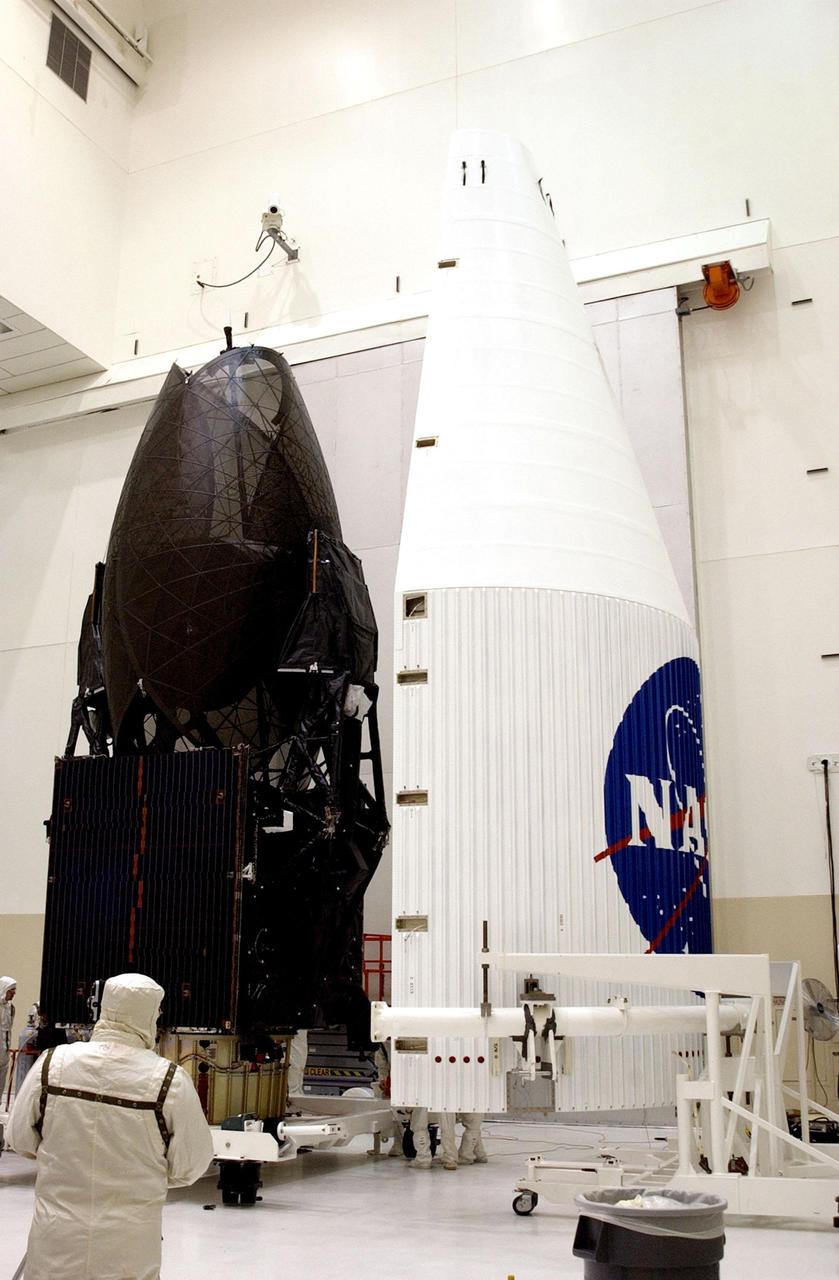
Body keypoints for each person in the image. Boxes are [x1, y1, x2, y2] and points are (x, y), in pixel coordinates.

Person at [8, 972, 214, 1280]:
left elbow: (19, 1138)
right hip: (129, 1249)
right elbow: (191, 1164)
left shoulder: (53, 1064)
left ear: (103, 1008)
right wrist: (143, 1174)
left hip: (56, 1243)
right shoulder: (169, 1081)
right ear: (150, 1015)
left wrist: (63, 1160)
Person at [0, 976, 16, 1103]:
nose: (14, 993)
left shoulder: (10, 1008)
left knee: (1, 1084)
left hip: (4, 1052)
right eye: (11, 990)